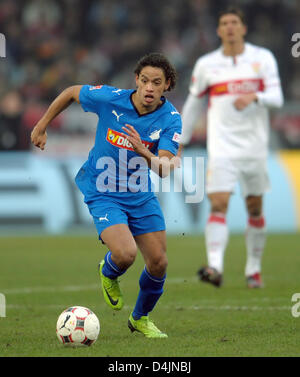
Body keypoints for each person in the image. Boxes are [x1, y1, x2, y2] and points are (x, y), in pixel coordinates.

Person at [31, 52, 182, 337]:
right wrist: (42, 125)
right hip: (103, 191)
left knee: (159, 262)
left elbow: (165, 167)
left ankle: (139, 318)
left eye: (157, 83)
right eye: (145, 80)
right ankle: (109, 272)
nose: (149, 88)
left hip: (140, 194)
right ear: (136, 80)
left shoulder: (171, 119)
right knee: (125, 254)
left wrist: (144, 152)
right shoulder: (110, 98)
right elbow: (71, 92)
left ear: (167, 85)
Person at [180, 7, 283, 288]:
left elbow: (277, 97)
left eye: (234, 23)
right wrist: (181, 141)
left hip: (254, 148)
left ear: (243, 28)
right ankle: (215, 266)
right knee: (219, 202)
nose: (229, 27)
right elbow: (192, 104)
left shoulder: (262, 58)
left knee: (254, 207)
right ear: (218, 30)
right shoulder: (207, 64)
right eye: (224, 23)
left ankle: (253, 269)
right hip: (222, 147)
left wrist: (254, 96)